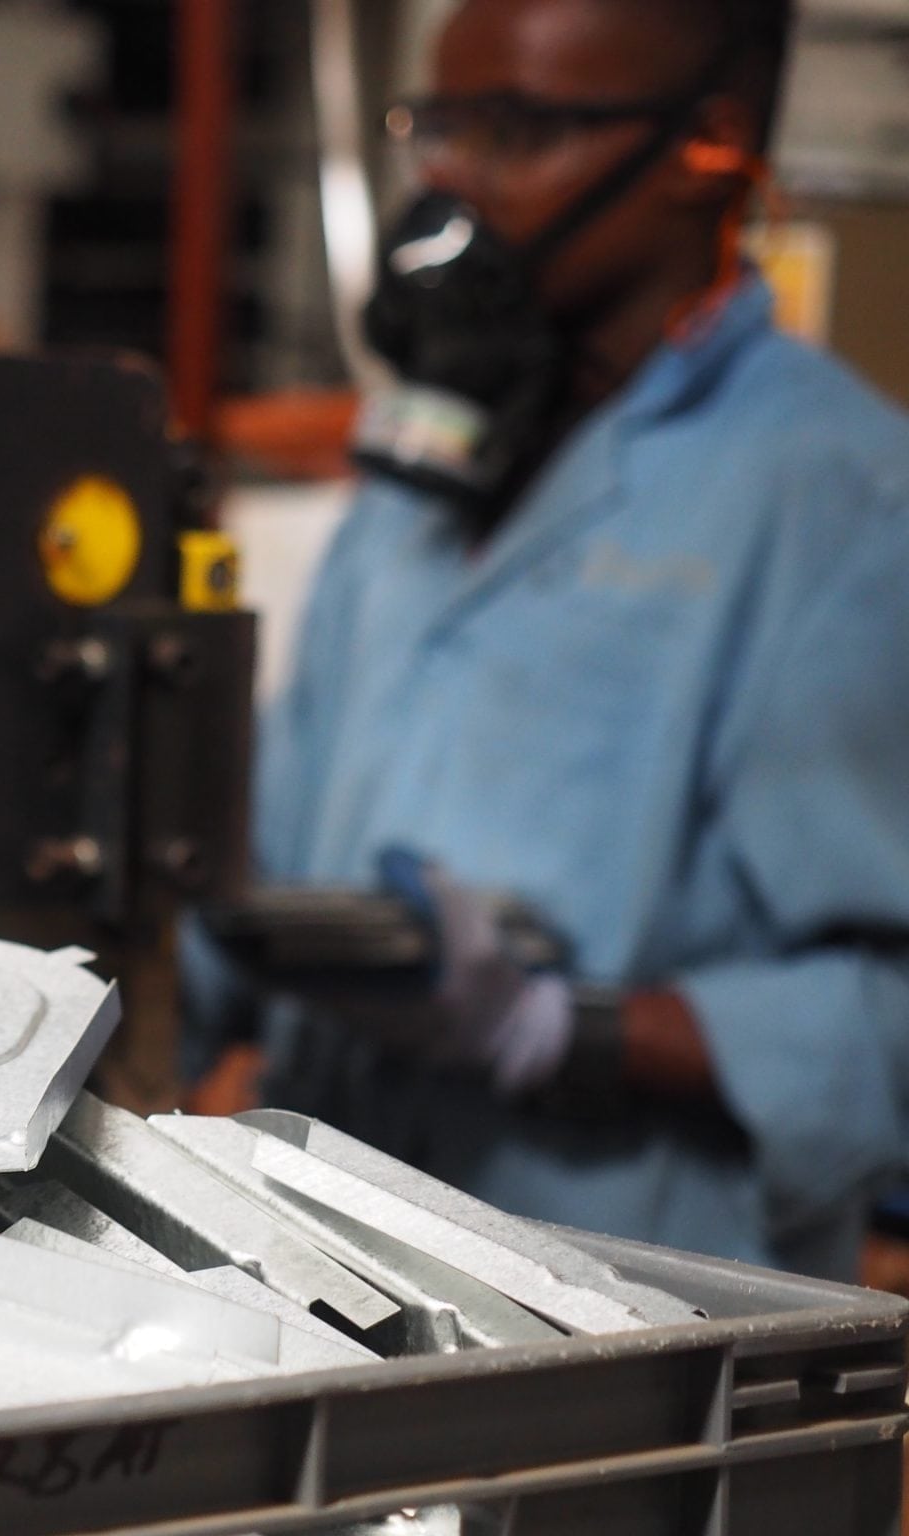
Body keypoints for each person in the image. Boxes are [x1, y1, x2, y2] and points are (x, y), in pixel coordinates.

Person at [183, 0, 909, 1281]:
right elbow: (255, 875)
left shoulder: (840, 498)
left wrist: (545, 1028)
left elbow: (880, 1026)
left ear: (708, 148)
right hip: (306, 1271)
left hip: (629, 1322)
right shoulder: (415, 467)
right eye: (436, 127)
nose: (450, 183)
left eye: (515, 131)